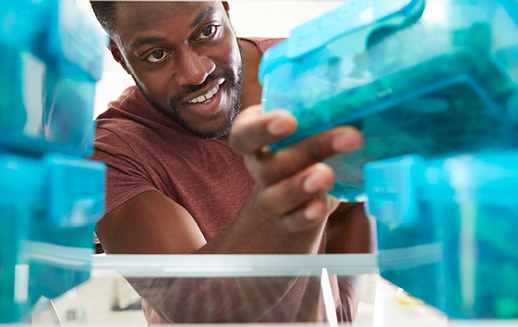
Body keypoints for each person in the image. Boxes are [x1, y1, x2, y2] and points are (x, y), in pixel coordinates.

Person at [88, 1, 373, 323]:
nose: (196, 73)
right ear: (119, 56)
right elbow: (195, 303)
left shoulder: (312, 77)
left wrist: (341, 311)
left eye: (206, 32)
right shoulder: (109, 153)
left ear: (225, 8)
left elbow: (353, 207)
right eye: (156, 54)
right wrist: (288, 197)